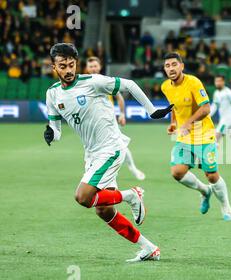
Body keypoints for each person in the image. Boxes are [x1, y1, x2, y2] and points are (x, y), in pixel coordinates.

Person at [43, 43, 172, 262]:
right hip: (92, 154)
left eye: (71, 65)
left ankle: (132, 195)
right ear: (54, 67)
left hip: (110, 148)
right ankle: (149, 248)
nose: (68, 70)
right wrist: (50, 134)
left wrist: (151, 110)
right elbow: (55, 129)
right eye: (63, 66)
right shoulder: (53, 94)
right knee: (103, 210)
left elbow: (129, 85)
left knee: (83, 197)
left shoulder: (92, 82)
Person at [161, 52, 231, 221]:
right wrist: (173, 123)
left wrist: (187, 123)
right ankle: (204, 190)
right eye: (167, 66)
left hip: (205, 135)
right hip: (184, 137)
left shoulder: (193, 82)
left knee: (212, 175)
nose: (171, 68)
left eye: (174, 64)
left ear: (182, 66)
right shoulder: (166, 86)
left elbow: (206, 108)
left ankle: (226, 206)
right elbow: (174, 106)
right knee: (177, 172)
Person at [85, 56, 146, 180]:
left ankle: (132, 168)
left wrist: (122, 114)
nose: (93, 68)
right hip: (91, 123)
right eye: (90, 66)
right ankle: (91, 172)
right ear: (87, 68)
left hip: (108, 121)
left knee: (120, 144)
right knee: (90, 148)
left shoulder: (106, 81)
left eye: (95, 66)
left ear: (100, 67)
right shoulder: (83, 83)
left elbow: (119, 97)